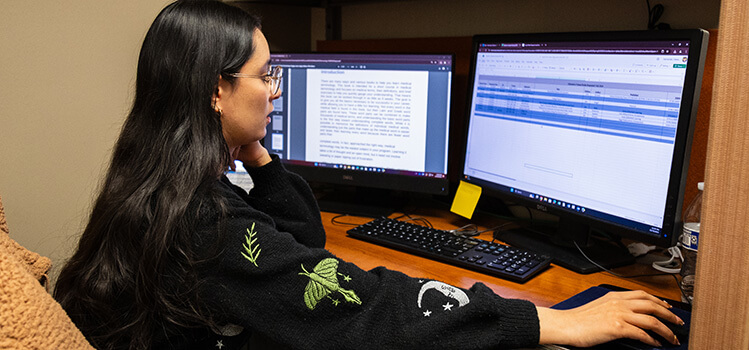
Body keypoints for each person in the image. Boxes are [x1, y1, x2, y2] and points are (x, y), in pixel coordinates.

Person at [54, 1, 684, 349]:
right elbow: (354, 300)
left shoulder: (162, 186)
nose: (275, 92)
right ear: (216, 90)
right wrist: (548, 322)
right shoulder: (205, 225)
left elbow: (302, 247)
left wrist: (257, 153)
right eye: (265, 75)